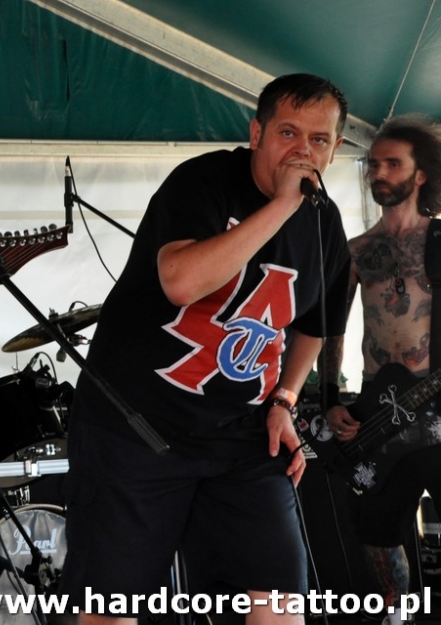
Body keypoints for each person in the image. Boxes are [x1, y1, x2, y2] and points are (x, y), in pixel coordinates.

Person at [59, 73, 352, 624]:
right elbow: (181, 281)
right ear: (257, 133)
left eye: (318, 139)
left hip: (241, 434)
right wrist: (281, 206)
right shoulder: (203, 181)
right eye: (288, 133)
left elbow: (315, 325)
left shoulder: (326, 224)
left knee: (280, 599)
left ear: (335, 149)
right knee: (110, 606)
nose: (302, 151)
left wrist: (285, 399)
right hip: (138, 426)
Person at [322, 114, 441, 624]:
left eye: (393, 163)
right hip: (377, 409)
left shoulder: (439, 240)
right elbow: (330, 332)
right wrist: (330, 398)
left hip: (434, 404)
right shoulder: (355, 251)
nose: (379, 172)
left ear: (420, 174)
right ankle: (396, 616)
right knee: (376, 529)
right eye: (373, 164)